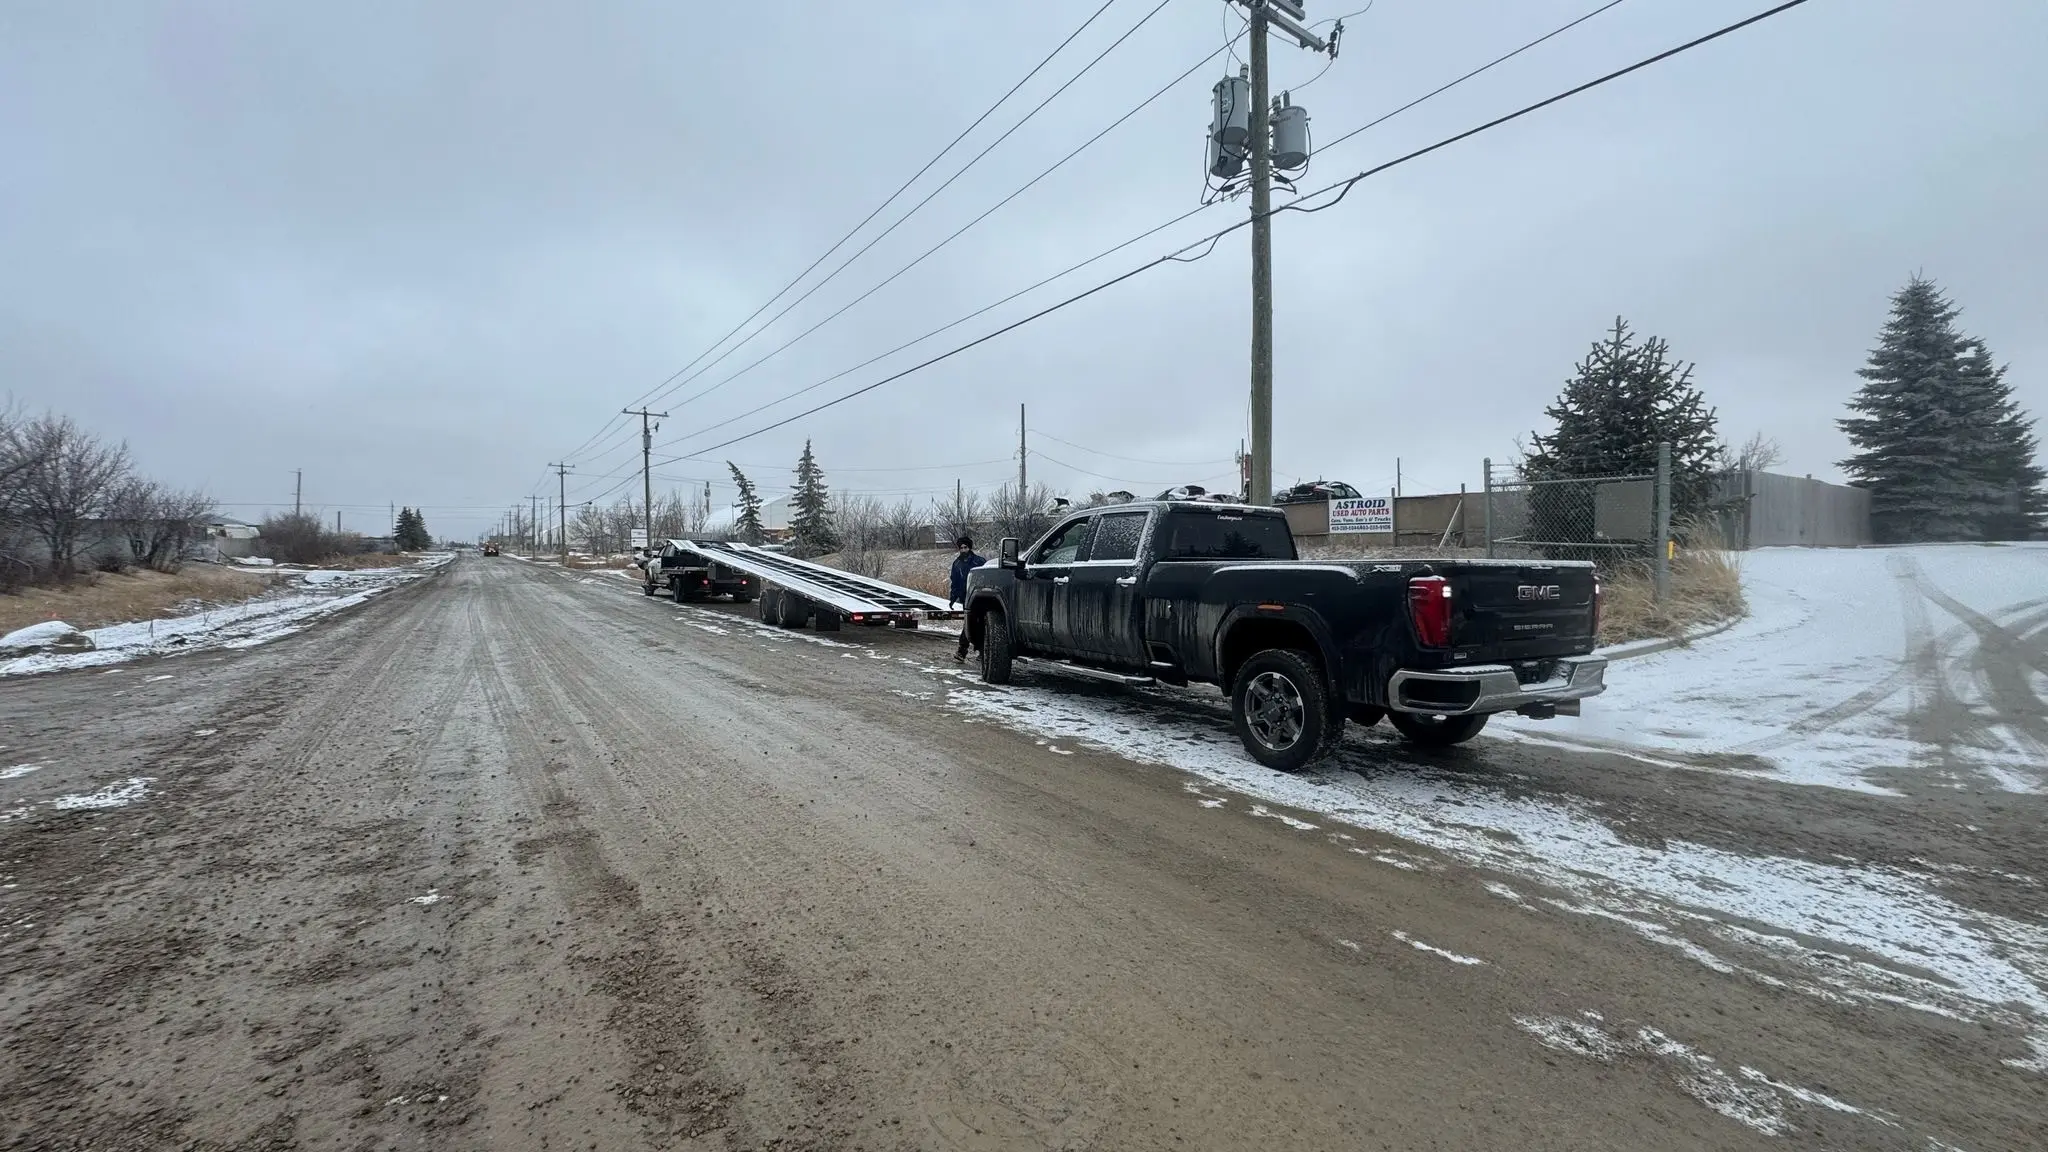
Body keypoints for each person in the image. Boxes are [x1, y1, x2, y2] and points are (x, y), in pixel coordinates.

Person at [949, 535, 985, 662]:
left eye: (965, 547)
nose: (963, 550)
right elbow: (954, 582)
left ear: (969, 547)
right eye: (961, 548)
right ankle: (963, 651)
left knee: (981, 623)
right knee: (969, 623)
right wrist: (953, 598)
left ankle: (979, 651)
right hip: (966, 598)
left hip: (979, 597)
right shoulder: (957, 564)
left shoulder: (979, 561)